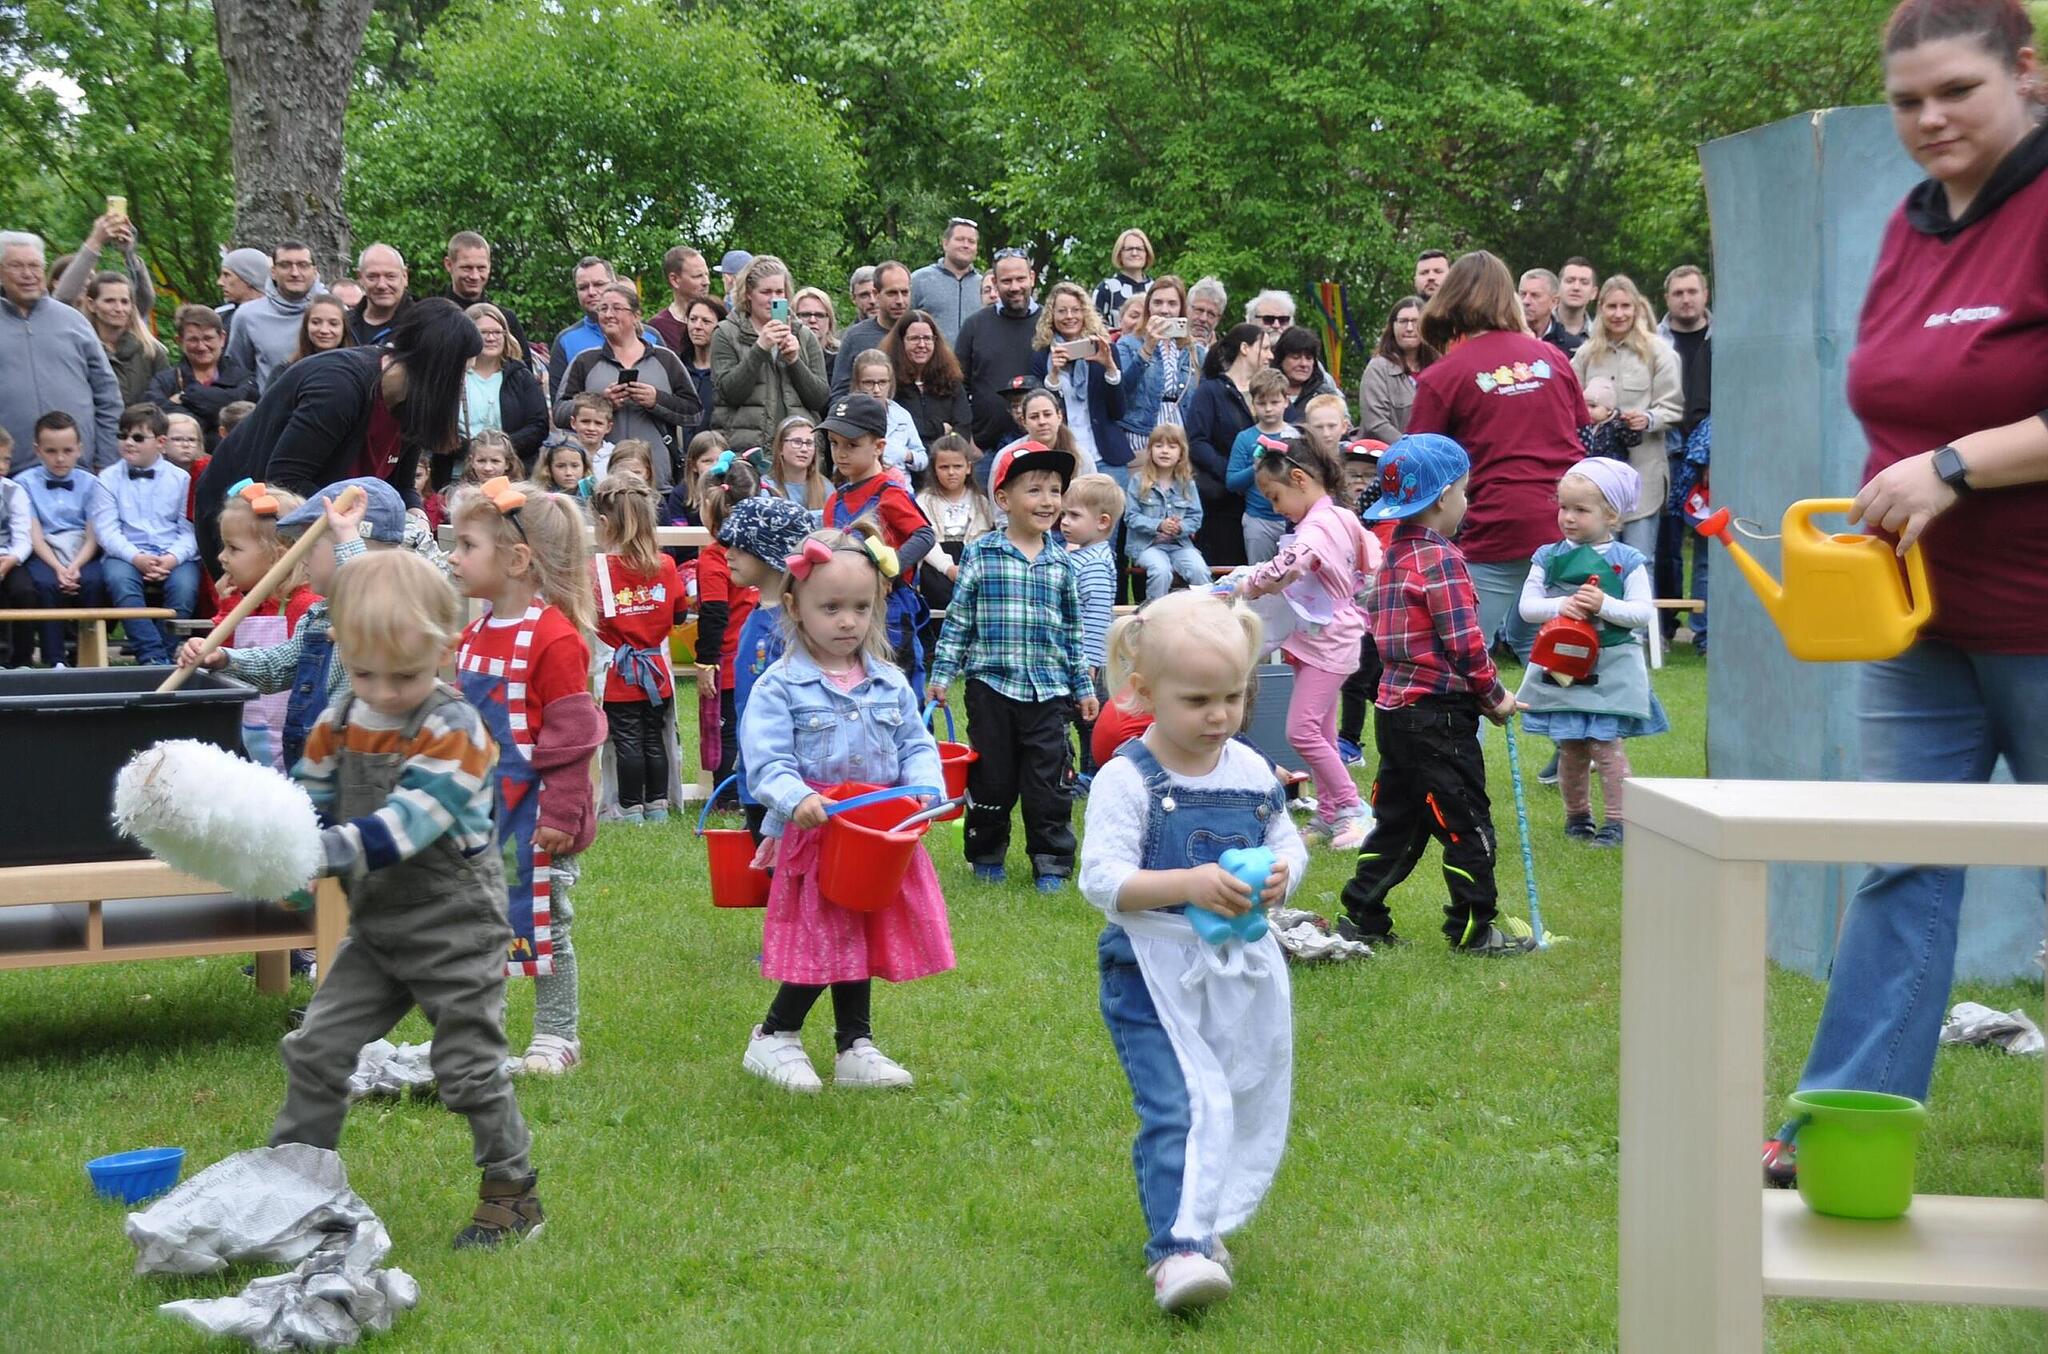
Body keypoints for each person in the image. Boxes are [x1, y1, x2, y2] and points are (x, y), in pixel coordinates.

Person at [1783, 0, 2048, 1128]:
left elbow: (1949, 432)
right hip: (1917, 626)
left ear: (2026, 71)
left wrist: (1950, 465)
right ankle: (1845, 1120)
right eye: (1905, 102)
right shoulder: (1911, 224)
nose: (1928, 118)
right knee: (1896, 860)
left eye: (1955, 91)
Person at [269, 547, 543, 1247]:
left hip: (456, 927)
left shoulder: (456, 728)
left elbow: (410, 823)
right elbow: (311, 801)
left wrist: (325, 852)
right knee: (316, 1049)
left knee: (468, 1069)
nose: (386, 693)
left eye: (407, 676)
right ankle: (292, 1188)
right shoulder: (341, 717)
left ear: (445, 651)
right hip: (379, 930)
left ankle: (512, 1193)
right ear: (342, 651)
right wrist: (279, 849)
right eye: (366, 674)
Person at [1077, 588, 1303, 1315]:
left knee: (1234, 1093)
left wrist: (1278, 877)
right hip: (1150, 968)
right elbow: (1103, 880)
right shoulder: (1127, 777)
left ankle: (1204, 1223)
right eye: (1198, 699)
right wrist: (1188, 882)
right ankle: (1176, 1251)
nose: (1220, 716)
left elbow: (1285, 841)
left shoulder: (1250, 770)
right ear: (1143, 693)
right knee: (1180, 1103)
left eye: (1234, 697)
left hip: (1236, 966)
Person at [737, 522, 954, 1091]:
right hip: (817, 838)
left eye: (860, 607)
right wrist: (797, 797)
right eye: (830, 606)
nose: (847, 621)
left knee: (861, 932)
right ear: (795, 604)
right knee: (824, 939)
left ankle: (854, 1043)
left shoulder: (887, 681)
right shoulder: (781, 686)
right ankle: (775, 1035)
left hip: (879, 837)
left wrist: (926, 790)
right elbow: (765, 761)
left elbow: (915, 744)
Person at [1337, 434, 1531, 955]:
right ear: (1444, 497)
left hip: (1395, 713)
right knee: (1466, 820)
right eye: (1465, 491)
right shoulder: (1442, 560)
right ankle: (1474, 929)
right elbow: (1465, 645)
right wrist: (1495, 698)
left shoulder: (1394, 551)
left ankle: (1361, 915)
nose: (1466, 501)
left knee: (1398, 820)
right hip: (1439, 718)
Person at [448, 478, 604, 1075]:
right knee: (481, 925)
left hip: (539, 820)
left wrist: (562, 814)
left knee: (544, 922)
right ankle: (482, 1032)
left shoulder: (555, 638)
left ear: (516, 561)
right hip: (484, 814)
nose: (453, 558)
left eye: (465, 546)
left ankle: (556, 1034)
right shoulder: (475, 634)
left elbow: (573, 737)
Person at [927, 440, 1098, 890]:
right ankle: (986, 856)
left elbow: (1072, 635)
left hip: (1048, 693)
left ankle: (1051, 862)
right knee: (992, 781)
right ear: (1003, 499)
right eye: (1035, 490)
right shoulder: (982, 555)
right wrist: (942, 675)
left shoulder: (1063, 563)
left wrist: (1082, 687)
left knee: (1049, 783)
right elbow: (959, 623)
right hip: (991, 690)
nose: (1047, 501)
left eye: (1055, 490)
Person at [197, 298, 480, 567]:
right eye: (461, 375)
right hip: (243, 527)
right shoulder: (338, 389)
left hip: (310, 533)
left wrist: (414, 515)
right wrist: (360, 522)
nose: (462, 388)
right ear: (437, 371)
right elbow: (286, 479)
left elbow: (401, 486)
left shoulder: (411, 404)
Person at [1407, 250, 1587, 659]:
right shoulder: (1554, 359)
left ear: (1450, 298)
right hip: (1565, 522)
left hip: (1495, 527)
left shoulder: (1443, 375)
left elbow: (1419, 462)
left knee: (1462, 659)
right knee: (1560, 658)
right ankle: (1580, 723)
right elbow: (1576, 432)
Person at [178, 479, 406, 771]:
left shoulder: (382, 612)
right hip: (311, 759)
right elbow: (280, 664)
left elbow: (364, 605)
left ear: (348, 548)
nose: (302, 556)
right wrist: (226, 659)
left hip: (355, 765)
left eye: (311, 545)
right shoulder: (318, 616)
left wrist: (347, 537)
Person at [1234, 434, 1380, 847]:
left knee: (1301, 732)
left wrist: (1249, 583)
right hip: (1315, 638)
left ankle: (1353, 808)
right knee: (1322, 731)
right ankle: (1329, 814)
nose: (1276, 507)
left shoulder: (1318, 526)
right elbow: (1372, 558)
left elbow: (1289, 566)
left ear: (1299, 479)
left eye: (1275, 497)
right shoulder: (1338, 516)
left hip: (1329, 641)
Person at [1516, 458, 1668, 847]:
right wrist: (1560, 605)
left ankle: (1618, 820)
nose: (1567, 517)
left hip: (1612, 663)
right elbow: (1528, 607)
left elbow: (1641, 613)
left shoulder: (1628, 561)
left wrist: (1603, 605)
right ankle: (1577, 817)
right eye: (1564, 507)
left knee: (1606, 746)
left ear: (1611, 514)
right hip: (1563, 664)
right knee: (1570, 745)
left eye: (1580, 510)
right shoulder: (1547, 558)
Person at [821, 393, 937, 688]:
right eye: (834, 443)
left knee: (899, 686)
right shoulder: (834, 501)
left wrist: (891, 566)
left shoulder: (889, 492)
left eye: (852, 444)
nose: (841, 453)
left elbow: (924, 534)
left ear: (879, 447)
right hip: (846, 612)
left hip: (891, 611)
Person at [717, 494, 815, 840]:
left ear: (772, 554)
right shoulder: (757, 614)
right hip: (755, 773)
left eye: (740, 547)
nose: (728, 554)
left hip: (788, 779)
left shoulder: (794, 626)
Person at [591, 474, 684, 825]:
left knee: (628, 739)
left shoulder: (597, 571)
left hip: (620, 672)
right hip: (656, 670)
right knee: (653, 737)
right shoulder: (666, 565)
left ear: (604, 523)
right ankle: (657, 804)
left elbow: (592, 618)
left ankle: (630, 808)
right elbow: (677, 612)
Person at [1569, 275, 1682, 559]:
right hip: (1596, 480)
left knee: (1640, 560)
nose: (1619, 314)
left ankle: (1641, 605)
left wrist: (1649, 418)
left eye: (1625, 306)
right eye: (1611, 307)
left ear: (1636, 308)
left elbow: (1674, 407)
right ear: (1601, 309)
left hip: (1643, 475)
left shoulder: (1659, 352)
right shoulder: (1585, 355)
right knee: (1596, 562)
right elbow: (1568, 405)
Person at [553, 282, 699, 493]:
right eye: (603, 309)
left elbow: (694, 412)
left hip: (656, 483)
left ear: (636, 315)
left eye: (616, 308)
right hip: (599, 485)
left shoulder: (665, 359)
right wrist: (601, 404)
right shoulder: (584, 361)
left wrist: (656, 400)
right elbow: (559, 414)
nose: (608, 314)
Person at [214, 479, 317, 768]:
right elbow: (226, 655)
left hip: (292, 737)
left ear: (278, 558)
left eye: (233, 548)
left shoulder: (303, 606)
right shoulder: (249, 604)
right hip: (250, 730)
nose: (221, 557)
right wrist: (228, 608)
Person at [2, 230, 121, 473]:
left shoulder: (73, 321)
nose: (28, 274)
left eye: (35, 266)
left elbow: (107, 393)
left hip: (81, 473)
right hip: (8, 475)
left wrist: (107, 459)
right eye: (17, 266)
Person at [88, 404, 196, 663]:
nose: (128, 442)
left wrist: (172, 558)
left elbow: (190, 530)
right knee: (121, 584)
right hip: (125, 553)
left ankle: (167, 652)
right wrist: (136, 558)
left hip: (172, 551)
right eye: (122, 436)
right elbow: (107, 531)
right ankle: (154, 657)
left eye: (137, 437)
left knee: (184, 588)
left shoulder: (182, 479)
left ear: (160, 442)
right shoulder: (107, 478)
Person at [711, 254, 830, 451]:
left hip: (798, 452)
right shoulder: (726, 332)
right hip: (747, 450)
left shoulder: (803, 334)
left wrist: (795, 361)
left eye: (779, 292)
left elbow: (820, 398)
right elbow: (729, 393)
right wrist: (760, 349)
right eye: (766, 292)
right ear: (749, 293)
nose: (774, 299)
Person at [693, 454, 760, 796]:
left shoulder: (714, 557)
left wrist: (705, 662)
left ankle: (729, 796)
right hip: (760, 654)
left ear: (710, 506)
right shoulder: (757, 547)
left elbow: (715, 613)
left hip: (729, 661)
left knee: (728, 730)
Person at [19, 412, 107, 663]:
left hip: (82, 550)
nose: (60, 458)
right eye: (51, 451)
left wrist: (76, 565)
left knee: (94, 582)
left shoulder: (92, 483)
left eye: (67, 450)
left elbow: (93, 534)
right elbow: (33, 534)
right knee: (45, 584)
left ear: (79, 449)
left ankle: (87, 653)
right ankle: (54, 657)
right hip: (44, 551)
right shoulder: (24, 483)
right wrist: (58, 567)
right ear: (37, 450)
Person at [1657, 264, 1713, 652]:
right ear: (1667, 298)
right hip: (1665, 452)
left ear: (1705, 294)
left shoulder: (1724, 338)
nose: (1686, 298)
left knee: (1711, 541)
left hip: (1713, 454)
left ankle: (1705, 629)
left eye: (1692, 291)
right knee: (1666, 545)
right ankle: (1662, 624)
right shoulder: (1654, 341)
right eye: (1678, 293)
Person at [1183, 323, 1267, 569]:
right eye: (1265, 348)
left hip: (1264, 501)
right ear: (1245, 348)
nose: (1271, 355)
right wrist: (1232, 473)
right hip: (1222, 503)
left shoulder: (1268, 392)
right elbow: (1197, 441)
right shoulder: (1210, 391)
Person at [1028, 281, 1125, 479]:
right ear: (1051, 316)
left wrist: (1110, 368)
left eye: (1076, 310)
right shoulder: (1041, 355)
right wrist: (1053, 374)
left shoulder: (1104, 348)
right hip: (1065, 456)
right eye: (1062, 311)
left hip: (1104, 454)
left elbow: (1118, 411)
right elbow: (1041, 408)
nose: (1070, 316)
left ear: (1085, 313)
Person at [1061, 472, 1123, 781]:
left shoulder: (1095, 563)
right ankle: (1081, 774)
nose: (1064, 521)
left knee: (1090, 724)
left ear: (1102, 522)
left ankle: (1091, 776)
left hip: (1088, 663)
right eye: (1064, 513)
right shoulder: (1080, 554)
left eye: (1074, 515)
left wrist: (1090, 663)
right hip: (1076, 657)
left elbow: (1097, 617)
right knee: (1079, 722)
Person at [955, 248, 1041, 454]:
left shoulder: (1049, 323)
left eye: (1020, 279)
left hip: (1042, 445)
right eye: (1006, 281)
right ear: (994, 283)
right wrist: (967, 437)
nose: (1015, 287)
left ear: (1032, 278)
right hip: (985, 449)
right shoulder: (974, 326)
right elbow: (957, 385)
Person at [1113, 276, 1204, 466]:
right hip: (1141, 431)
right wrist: (1147, 349)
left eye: (1172, 303)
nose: (1164, 309)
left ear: (1181, 308)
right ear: (1149, 307)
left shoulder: (1194, 349)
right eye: (1158, 303)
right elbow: (1121, 391)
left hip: (1180, 432)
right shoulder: (1128, 343)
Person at [914, 433, 994, 645]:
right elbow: (925, 540)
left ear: (968, 468)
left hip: (972, 561)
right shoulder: (924, 501)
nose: (951, 473)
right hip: (937, 565)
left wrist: (969, 566)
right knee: (941, 591)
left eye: (957, 466)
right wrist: (948, 568)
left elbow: (984, 537)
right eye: (944, 467)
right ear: (934, 468)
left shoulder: (980, 501)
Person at [148, 304, 257, 449]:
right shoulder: (164, 381)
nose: (201, 346)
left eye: (208, 338)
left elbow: (249, 418)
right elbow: (153, 417)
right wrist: (216, 416)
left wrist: (185, 397)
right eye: (193, 340)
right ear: (180, 341)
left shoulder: (243, 379)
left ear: (222, 338)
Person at [1125, 424, 1210, 601]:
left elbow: (1195, 517)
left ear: (1181, 453)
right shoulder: (1138, 481)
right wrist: (1159, 525)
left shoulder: (1187, 484)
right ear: (1150, 450)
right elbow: (1131, 517)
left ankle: (1204, 612)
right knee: (1161, 572)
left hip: (1179, 545)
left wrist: (1180, 528)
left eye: (1172, 447)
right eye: (1159, 446)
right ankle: (1154, 617)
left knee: (1199, 570)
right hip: (1147, 546)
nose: (1165, 451)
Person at [227, 241, 325, 392]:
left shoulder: (335, 312)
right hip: (268, 410)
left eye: (303, 265)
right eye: (285, 265)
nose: (295, 273)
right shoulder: (247, 316)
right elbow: (237, 373)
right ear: (273, 271)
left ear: (314, 271)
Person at [464, 302, 548, 468]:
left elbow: (538, 426)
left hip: (513, 473)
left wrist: (501, 450)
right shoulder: (452, 377)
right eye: (484, 333)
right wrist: (473, 451)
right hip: (458, 473)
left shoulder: (521, 376)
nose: (491, 338)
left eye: (497, 332)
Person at [1225, 370, 1296, 563]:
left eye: (1274, 402)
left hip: (1293, 519)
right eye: (1261, 403)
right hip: (1258, 519)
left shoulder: (1297, 436)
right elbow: (1232, 482)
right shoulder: (1245, 438)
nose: (1268, 409)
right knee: (1259, 576)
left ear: (1286, 401)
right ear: (1252, 404)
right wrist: (1255, 467)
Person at [553, 256, 662, 371]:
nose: (591, 292)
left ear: (615, 285)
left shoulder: (651, 337)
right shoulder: (565, 342)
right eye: (583, 287)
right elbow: (560, 389)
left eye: (598, 284)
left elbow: (674, 386)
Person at [884, 309, 971, 449]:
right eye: (914, 339)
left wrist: (948, 443)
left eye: (927, 338)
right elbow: (892, 428)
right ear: (901, 342)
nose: (922, 345)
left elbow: (962, 430)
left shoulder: (951, 381)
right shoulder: (888, 383)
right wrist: (938, 429)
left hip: (944, 463)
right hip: (903, 464)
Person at [81, 271, 168, 405]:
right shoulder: (81, 350)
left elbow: (167, 400)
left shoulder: (151, 351)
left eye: (124, 301)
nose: (119, 308)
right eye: (109, 301)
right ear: (91, 304)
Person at [830, 260, 913, 398]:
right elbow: (839, 394)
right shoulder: (856, 337)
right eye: (892, 293)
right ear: (877, 294)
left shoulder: (922, 335)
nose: (900, 301)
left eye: (904, 293)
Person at [437, 231, 529, 354]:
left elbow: (523, 370)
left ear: (489, 266)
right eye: (467, 268)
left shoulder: (506, 320)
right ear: (449, 265)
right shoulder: (433, 318)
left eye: (481, 268)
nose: (474, 276)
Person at [1357, 296, 1432, 444]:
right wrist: (1412, 449)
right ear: (1392, 326)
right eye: (1403, 321)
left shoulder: (1439, 367)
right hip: (1386, 458)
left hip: (1433, 459)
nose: (1409, 328)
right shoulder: (1378, 368)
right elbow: (1375, 423)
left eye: (1415, 321)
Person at [53, 210, 156, 317]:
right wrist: (96, 239)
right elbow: (62, 299)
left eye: (91, 277)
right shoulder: (66, 319)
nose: (87, 282)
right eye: (81, 276)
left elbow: (144, 299)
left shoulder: (118, 314)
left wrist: (129, 254)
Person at [847, 349, 928, 475]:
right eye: (868, 383)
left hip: (901, 487)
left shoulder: (901, 415)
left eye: (882, 382)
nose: (876, 389)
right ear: (857, 384)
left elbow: (922, 459)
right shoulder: (847, 416)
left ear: (891, 383)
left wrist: (904, 454)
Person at [0, 430, 41, 663]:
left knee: (24, 591)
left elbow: (23, 536)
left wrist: (12, 559)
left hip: (9, 557)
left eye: (6, 459)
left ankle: (22, 659)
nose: (3, 466)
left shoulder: (14, 491)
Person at [910, 217, 983, 344]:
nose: (966, 245)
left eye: (971, 241)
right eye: (960, 239)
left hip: (974, 363)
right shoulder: (919, 280)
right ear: (945, 243)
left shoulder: (984, 286)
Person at [670, 294, 723, 454]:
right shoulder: (676, 367)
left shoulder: (726, 371)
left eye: (706, 321)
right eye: (693, 319)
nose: (697, 326)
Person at [347, 244, 415, 349]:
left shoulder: (420, 325)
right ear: (360, 278)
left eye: (390, 276)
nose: (382, 285)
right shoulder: (343, 325)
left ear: (405, 277)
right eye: (372, 277)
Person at [761, 415, 829, 517]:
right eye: (797, 442)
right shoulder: (766, 486)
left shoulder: (825, 487)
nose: (804, 449)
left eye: (809, 443)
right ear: (780, 447)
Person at [1271, 325, 1341, 422]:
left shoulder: (1326, 395)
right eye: (1296, 357)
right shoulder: (1264, 391)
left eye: (1309, 358)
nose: (1304, 364)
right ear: (1281, 358)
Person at [650, 244, 711, 352]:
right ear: (675, 280)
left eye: (707, 275)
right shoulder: (658, 328)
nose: (706, 282)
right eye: (697, 276)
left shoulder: (719, 319)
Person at [1094, 228, 1155, 327]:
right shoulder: (1107, 289)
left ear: (1147, 254)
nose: (1134, 253)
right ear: (1119, 254)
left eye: (1139, 249)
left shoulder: (1155, 288)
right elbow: (1095, 325)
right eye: (1129, 249)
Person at [1520, 267, 1584, 357]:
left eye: (1535, 295)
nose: (1526, 301)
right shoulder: (1507, 338)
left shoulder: (1572, 347)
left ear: (1554, 302)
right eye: (1523, 294)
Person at [565, 392, 615, 480]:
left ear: (608, 427)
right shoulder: (562, 452)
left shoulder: (614, 455)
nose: (591, 428)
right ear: (573, 423)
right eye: (585, 421)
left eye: (598, 423)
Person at [215, 247, 268, 330]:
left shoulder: (279, 315)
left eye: (227, 275)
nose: (219, 282)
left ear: (249, 278)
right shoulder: (219, 317)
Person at [289, 296, 351, 365]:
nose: (324, 330)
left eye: (333, 324)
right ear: (306, 326)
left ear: (344, 328)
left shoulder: (357, 369)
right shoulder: (287, 370)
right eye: (316, 322)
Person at [1556, 256, 1598, 345]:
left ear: (1593, 293)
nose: (1576, 287)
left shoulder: (1601, 336)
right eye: (1570, 281)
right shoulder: (1538, 328)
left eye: (1584, 282)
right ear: (1557, 288)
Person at [793, 287, 842, 360]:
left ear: (830, 321)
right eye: (805, 314)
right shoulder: (782, 358)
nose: (812, 320)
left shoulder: (842, 357)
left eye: (820, 315)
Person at [1187, 276, 1228, 349]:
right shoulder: (1169, 345)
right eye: (1199, 310)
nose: (1203, 319)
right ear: (1186, 308)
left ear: (1218, 319)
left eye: (1211, 314)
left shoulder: (1225, 354)